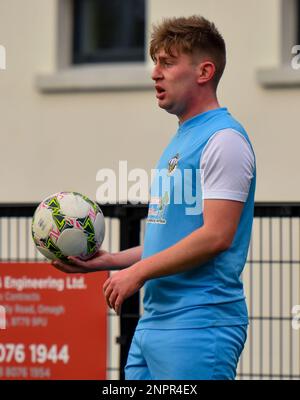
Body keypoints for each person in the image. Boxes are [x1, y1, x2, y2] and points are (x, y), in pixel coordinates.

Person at [53, 15, 256, 380]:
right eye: (154, 62)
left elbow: (216, 235)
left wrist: (138, 273)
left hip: (199, 325)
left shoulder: (225, 140)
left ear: (204, 71)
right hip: (154, 325)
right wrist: (110, 260)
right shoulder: (180, 140)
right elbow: (172, 241)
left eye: (167, 62)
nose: (154, 73)